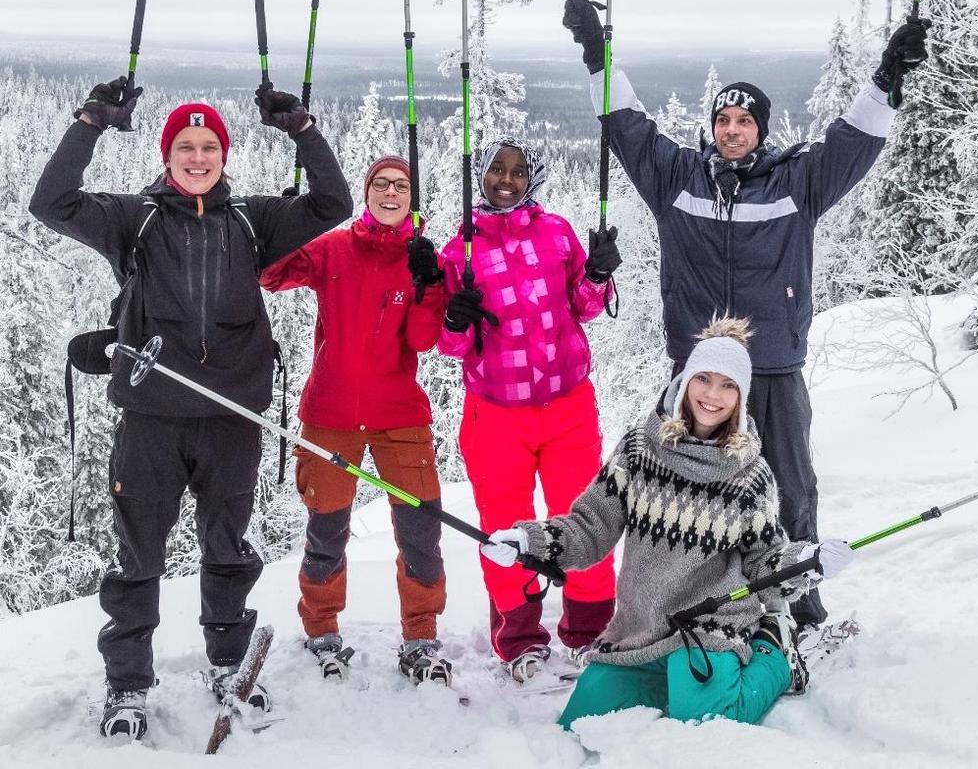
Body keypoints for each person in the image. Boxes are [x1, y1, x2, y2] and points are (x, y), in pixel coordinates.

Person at [562, 0, 928, 633]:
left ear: (760, 129)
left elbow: (854, 140)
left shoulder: (798, 182)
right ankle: (681, 604)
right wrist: (597, 53)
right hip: (697, 372)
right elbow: (628, 125)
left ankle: (800, 613)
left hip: (775, 367)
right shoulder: (676, 179)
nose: (732, 130)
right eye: (723, 120)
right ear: (713, 128)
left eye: (745, 120)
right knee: (680, 490)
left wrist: (887, 77)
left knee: (787, 487)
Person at [29, 76, 351, 741]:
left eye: (208, 146)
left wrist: (303, 130)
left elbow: (332, 203)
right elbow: (51, 201)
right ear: (166, 153)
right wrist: (91, 120)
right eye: (185, 145)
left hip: (233, 419)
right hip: (151, 419)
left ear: (223, 154)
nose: (198, 156)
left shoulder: (251, 219)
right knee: (137, 553)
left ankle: (230, 663)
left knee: (228, 549)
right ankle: (127, 681)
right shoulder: (133, 218)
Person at [481, 317, 855, 732]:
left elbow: (765, 560)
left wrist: (806, 561)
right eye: (704, 379)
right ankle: (669, 685)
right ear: (684, 382)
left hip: (713, 625)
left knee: (709, 722)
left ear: (741, 398)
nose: (713, 395)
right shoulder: (641, 450)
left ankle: (775, 655)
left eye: (728, 386)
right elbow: (590, 528)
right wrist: (528, 542)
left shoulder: (750, 475)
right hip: (641, 630)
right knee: (577, 725)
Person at [259, 154, 451, 685]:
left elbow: (422, 340)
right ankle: (321, 627)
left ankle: (421, 635)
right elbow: (271, 275)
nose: (391, 194)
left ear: (412, 198)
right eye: (381, 185)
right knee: (327, 528)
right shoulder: (335, 247)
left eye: (402, 186)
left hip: (399, 416)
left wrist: (430, 285)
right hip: (332, 413)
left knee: (420, 529)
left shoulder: (421, 259)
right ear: (366, 194)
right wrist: (286, 223)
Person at [437, 137, 621, 682]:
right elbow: (451, 347)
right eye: (497, 169)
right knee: (503, 526)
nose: (507, 180)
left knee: (584, 516)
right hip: (496, 413)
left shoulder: (558, 233)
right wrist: (453, 319)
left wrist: (598, 273)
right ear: (482, 175)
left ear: (533, 177)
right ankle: (519, 638)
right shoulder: (460, 251)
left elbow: (586, 308)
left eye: (519, 171)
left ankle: (589, 631)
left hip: (568, 404)